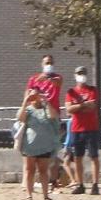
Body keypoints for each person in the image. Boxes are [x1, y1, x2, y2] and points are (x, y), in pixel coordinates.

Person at [17, 88, 61, 200]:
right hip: (29, 145)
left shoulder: (46, 109)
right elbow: (20, 118)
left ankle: (46, 196)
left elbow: (54, 116)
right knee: (29, 170)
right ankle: (28, 195)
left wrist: (46, 101)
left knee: (43, 170)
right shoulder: (28, 110)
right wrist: (25, 101)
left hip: (44, 145)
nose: (36, 98)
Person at [26, 55, 63, 186]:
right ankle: (32, 180)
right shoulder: (33, 79)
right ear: (42, 64)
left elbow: (57, 82)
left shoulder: (57, 77)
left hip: (52, 117)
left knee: (53, 150)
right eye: (47, 63)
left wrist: (48, 77)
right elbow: (28, 98)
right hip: (37, 118)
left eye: (51, 63)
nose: (49, 65)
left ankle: (53, 181)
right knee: (34, 150)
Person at [64, 65, 101, 195]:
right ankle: (80, 184)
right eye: (79, 73)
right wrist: (82, 105)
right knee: (77, 157)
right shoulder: (71, 92)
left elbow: (92, 106)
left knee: (93, 156)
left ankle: (95, 184)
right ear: (75, 75)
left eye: (83, 73)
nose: (81, 75)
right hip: (76, 129)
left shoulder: (92, 90)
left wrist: (77, 107)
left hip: (91, 128)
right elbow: (69, 109)